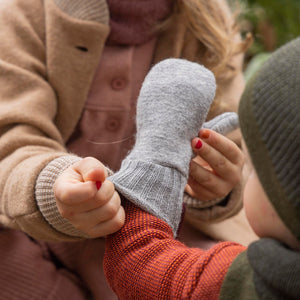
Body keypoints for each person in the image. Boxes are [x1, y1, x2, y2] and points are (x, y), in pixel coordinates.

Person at [0, 0, 251, 299]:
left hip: (167, 237)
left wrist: (216, 187)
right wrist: (53, 187)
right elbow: (12, 138)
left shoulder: (208, 22)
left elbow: (235, 148)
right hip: (35, 237)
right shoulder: (23, 13)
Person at [104, 37, 300, 299]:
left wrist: (156, 162)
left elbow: (138, 263)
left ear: (287, 199)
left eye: (256, 170)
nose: (248, 176)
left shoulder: (263, 284)